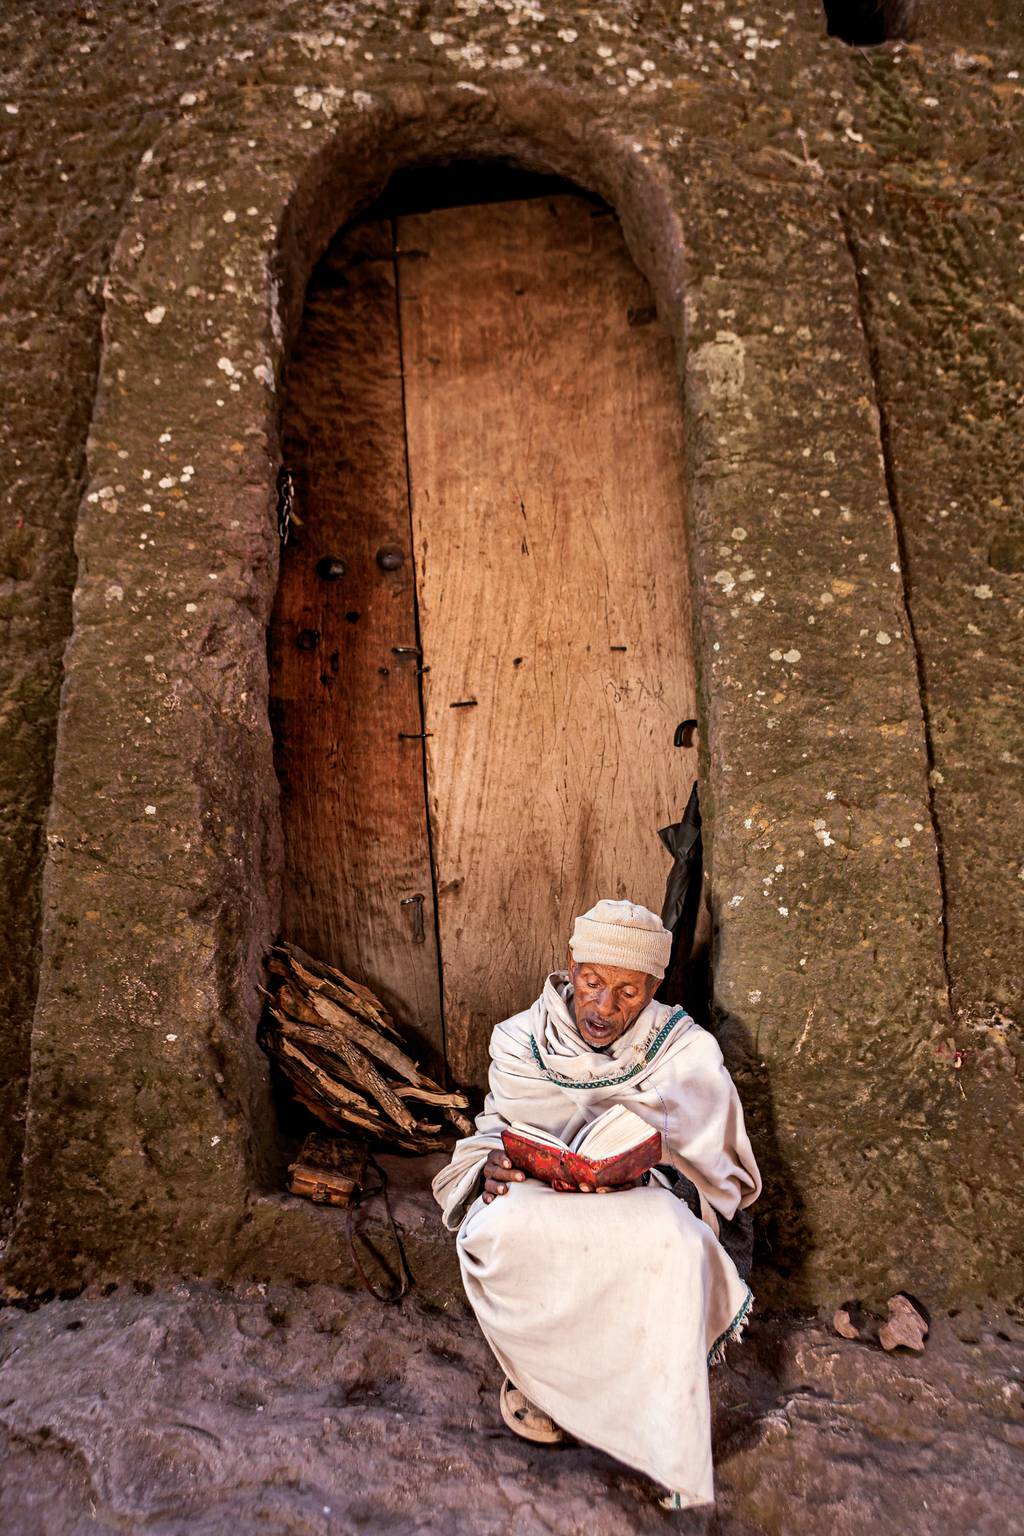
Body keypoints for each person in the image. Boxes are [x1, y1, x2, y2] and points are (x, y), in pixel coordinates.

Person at [432, 898, 761, 1511]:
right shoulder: (519, 1040)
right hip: (539, 1194)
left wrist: (653, 1172)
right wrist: (492, 1165)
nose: (605, 1007)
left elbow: (717, 1163)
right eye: (592, 982)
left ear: (654, 988)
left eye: (628, 993)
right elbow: (491, 1130)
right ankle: (543, 1384)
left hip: (642, 1195)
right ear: (571, 965)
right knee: (499, 1232)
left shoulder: (685, 1050)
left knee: (672, 1243)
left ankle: (655, 1424)